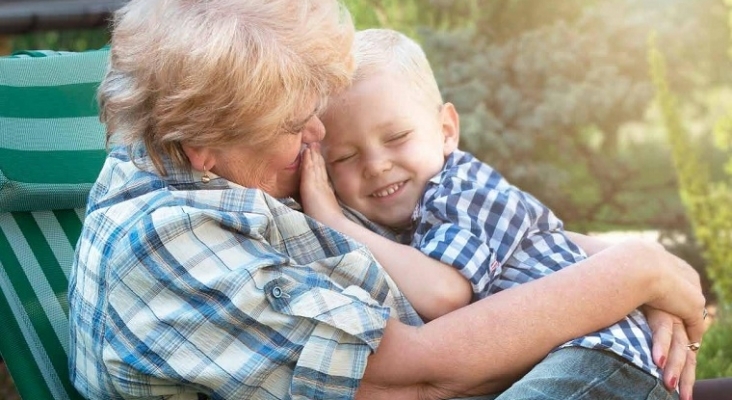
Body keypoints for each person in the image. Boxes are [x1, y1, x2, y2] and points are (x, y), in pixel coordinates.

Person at [67, 1, 706, 400]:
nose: (318, 138)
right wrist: (628, 274)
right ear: (204, 145)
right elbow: (425, 376)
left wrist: (628, 287)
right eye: (295, 125)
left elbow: (508, 241)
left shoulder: (229, 175)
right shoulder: (168, 246)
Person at [300, 28, 703, 400]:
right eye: (346, 157)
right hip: (556, 362)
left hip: (599, 353)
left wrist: (333, 220)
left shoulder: (463, 191)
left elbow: (445, 295)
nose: (376, 165)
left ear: (446, 130)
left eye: (396, 138)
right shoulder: (413, 212)